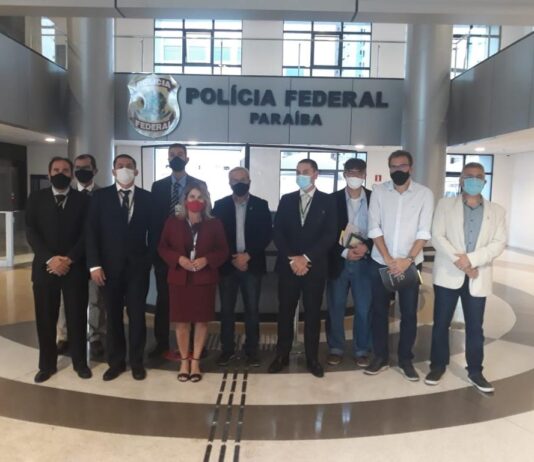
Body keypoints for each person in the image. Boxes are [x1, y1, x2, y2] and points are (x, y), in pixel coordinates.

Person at [425, 162, 506, 393]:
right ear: (461, 179)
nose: (474, 180)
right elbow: (437, 236)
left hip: (477, 275)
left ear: (484, 181)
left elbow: (498, 243)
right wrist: (460, 262)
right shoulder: (445, 205)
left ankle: (475, 371)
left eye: (479, 176)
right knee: (441, 323)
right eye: (469, 176)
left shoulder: (497, 211)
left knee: (475, 327)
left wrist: (470, 260)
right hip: (448, 275)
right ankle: (437, 366)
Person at [364, 150, 434, 381]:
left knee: (409, 314)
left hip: (410, 264)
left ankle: (405, 359)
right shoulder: (379, 191)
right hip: (380, 262)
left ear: (410, 168)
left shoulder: (424, 194)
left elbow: (424, 231)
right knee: (379, 312)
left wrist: (408, 260)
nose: (398, 170)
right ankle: (380, 357)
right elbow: (374, 226)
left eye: (402, 166)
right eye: (393, 166)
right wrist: (387, 258)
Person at [86, 154, 153, 381]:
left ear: (136, 171)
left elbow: (154, 233)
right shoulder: (100, 197)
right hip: (108, 269)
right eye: (120, 166)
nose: (125, 169)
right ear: (113, 171)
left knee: (137, 317)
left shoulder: (147, 198)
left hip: (137, 270)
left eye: (129, 166)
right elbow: (91, 232)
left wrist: (148, 261)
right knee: (113, 317)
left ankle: (137, 362)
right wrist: (94, 265)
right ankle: (115, 362)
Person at [268, 159, 337, 378]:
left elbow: (330, 235)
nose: (301, 175)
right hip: (288, 266)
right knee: (285, 312)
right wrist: (293, 259)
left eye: (305, 171)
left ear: (316, 174)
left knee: (313, 313)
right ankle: (281, 354)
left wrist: (305, 258)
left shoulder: (328, 201)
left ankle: (312, 358)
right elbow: (278, 232)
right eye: (298, 172)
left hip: (314, 268)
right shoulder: (287, 199)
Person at [25, 156, 91, 383]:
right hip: (45, 268)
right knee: (45, 319)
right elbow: (31, 232)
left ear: (71, 174)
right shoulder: (36, 198)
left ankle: (80, 363)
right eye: (56, 170)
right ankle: (46, 365)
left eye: (65, 170)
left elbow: (87, 234)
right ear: (49, 173)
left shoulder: (83, 200)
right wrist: (50, 259)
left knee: (77, 317)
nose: (60, 173)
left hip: (75, 268)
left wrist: (69, 259)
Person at [158, 184, 228, 382]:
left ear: (205, 201)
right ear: (185, 200)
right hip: (179, 278)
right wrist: (178, 259)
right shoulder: (173, 222)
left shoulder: (214, 223)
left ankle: (195, 362)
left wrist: (207, 260)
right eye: (192, 197)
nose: (195, 201)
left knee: (201, 321)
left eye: (199, 197)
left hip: (204, 279)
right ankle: (184, 361)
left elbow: (223, 250)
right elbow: (162, 247)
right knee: (181, 323)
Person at [150, 143, 207, 359]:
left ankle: (194, 345)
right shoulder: (158, 186)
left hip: (193, 254)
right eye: (172, 155)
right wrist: (157, 253)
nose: (176, 157)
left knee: (192, 300)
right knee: (164, 300)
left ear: (187, 158)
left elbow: (205, 216)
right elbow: (154, 223)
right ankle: (161, 343)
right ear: (167, 159)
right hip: (165, 254)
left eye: (180, 154)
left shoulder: (199, 184)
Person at [212, 167, 272, 367]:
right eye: (235, 180)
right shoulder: (220, 205)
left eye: (243, 179)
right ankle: (227, 350)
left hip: (252, 265)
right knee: (226, 310)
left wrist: (247, 256)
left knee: (252, 310)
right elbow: (217, 236)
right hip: (227, 265)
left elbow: (266, 234)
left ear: (249, 181)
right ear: (229, 183)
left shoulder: (261, 205)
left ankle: (252, 351)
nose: (239, 183)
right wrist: (234, 258)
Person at [56, 154, 106, 359]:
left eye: (85, 168)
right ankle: (64, 335)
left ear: (95, 170)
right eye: (77, 168)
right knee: (66, 299)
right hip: (70, 256)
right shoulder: (65, 193)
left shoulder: (104, 195)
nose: (80, 171)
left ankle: (95, 336)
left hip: (95, 256)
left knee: (96, 299)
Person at [326, 158, 373, 368]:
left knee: (364, 308)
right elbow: (326, 232)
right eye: (351, 172)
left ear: (364, 175)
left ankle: (362, 349)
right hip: (339, 261)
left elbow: (382, 228)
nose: (355, 176)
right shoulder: (331, 200)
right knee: (336, 307)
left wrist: (367, 247)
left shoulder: (375, 198)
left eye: (359, 172)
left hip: (365, 262)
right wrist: (344, 252)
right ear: (344, 174)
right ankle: (335, 348)